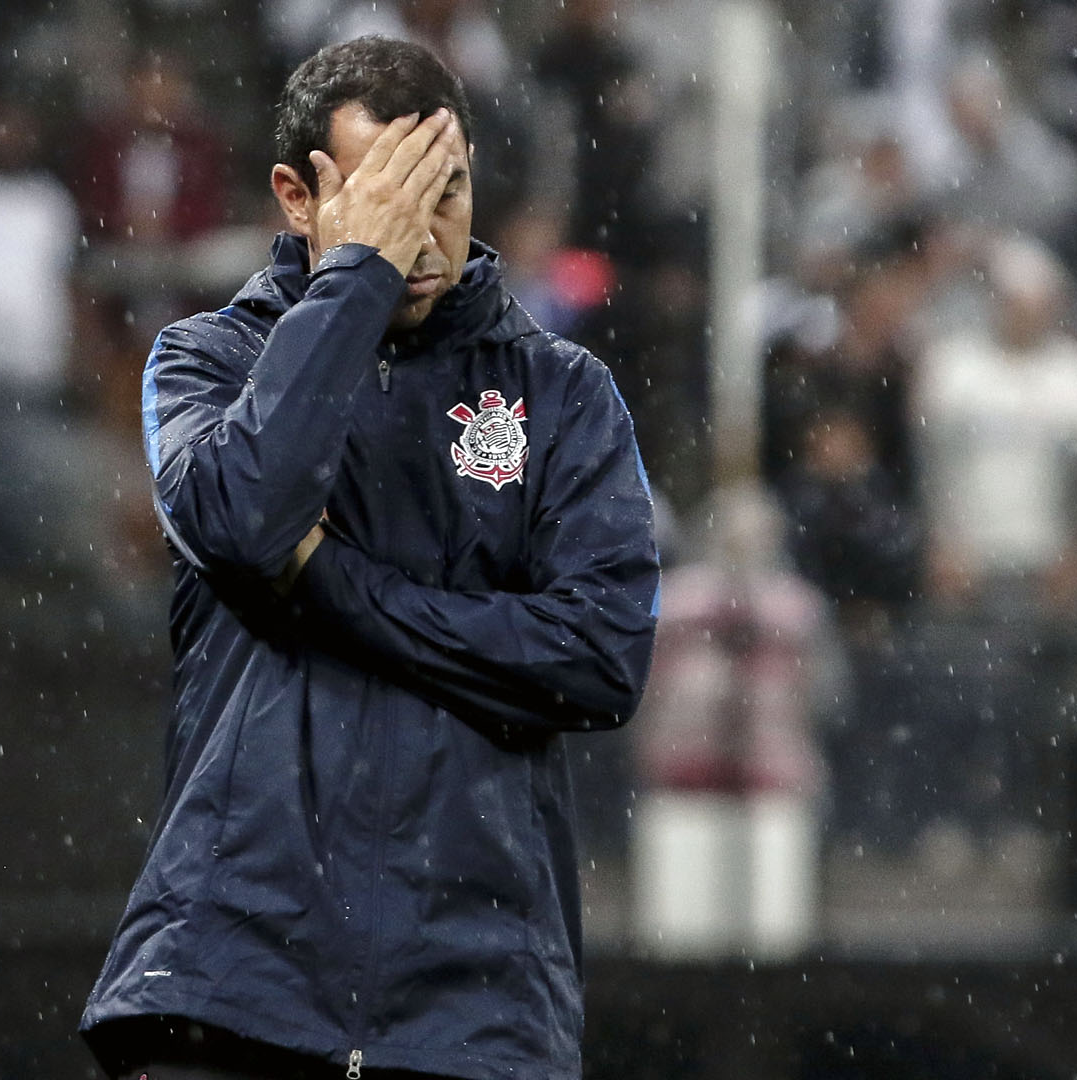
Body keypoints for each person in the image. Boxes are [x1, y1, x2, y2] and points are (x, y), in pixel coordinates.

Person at [80, 36, 661, 1080]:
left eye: (443, 193)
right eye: (383, 200)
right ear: (297, 198)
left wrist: (332, 584)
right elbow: (245, 523)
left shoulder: (564, 394)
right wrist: (352, 281)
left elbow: (598, 657)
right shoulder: (207, 360)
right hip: (231, 979)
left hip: (475, 1004)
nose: (421, 236)